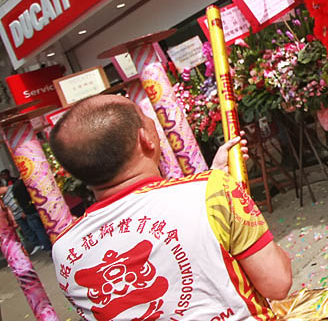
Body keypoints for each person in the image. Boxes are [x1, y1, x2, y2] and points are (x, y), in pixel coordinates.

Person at [49, 95, 292, 320]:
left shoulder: (64, 250)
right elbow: (277, 282)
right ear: (145, 139)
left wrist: (213, 182)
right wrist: (222, 194)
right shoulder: (211, 192)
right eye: (146, 118)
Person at [0, 171, 52, 253]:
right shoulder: (24, 184)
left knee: (39, 230)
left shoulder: (13, 187)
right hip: (32, 208)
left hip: (27, 211)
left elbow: (16, 201)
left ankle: (47, 247)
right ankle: (47, 244)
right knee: (42, 228)